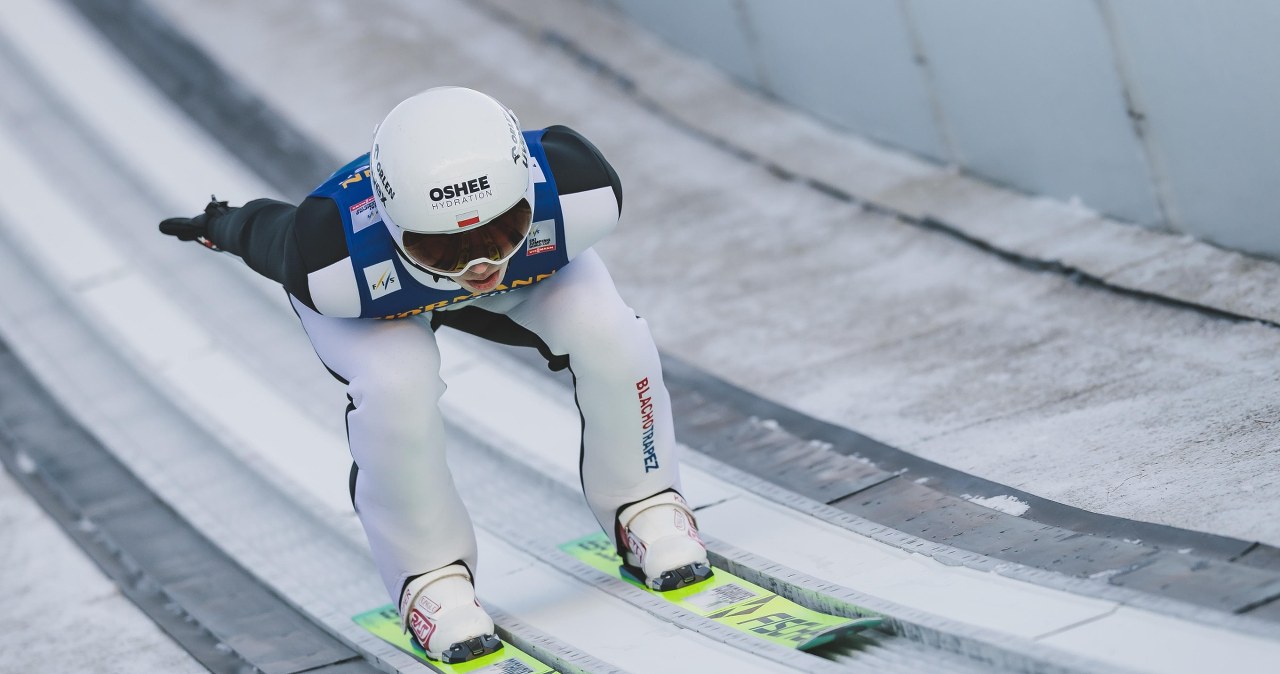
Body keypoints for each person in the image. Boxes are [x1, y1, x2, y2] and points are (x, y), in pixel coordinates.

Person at [159, 86, 711, 663]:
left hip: (500, 277)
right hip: (380, 305)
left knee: (610, 333)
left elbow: (499, 267)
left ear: (530, 191)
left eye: (502, 230)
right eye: (442, 248)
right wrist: (220, 222)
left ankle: (647, 504)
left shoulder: (579, 188)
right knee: (396, 387)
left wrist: (452, 257)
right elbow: (266, 232)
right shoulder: (332, 257)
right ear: (391, 226)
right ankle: (429, 579)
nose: (479, 267)